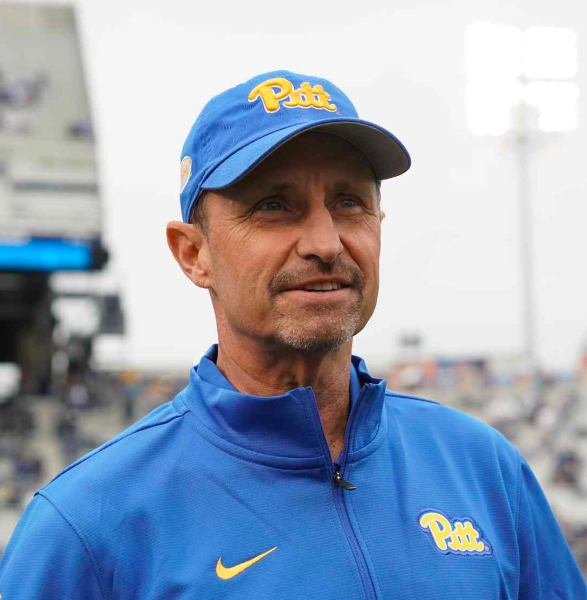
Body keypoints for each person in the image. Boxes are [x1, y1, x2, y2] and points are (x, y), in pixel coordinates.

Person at [0, 70, 585, 599]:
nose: (325, 242)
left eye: (349, 202)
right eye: (274, 205)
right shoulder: (87, 524)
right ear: (193, 253)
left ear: (379, 225)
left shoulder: (483, 469)